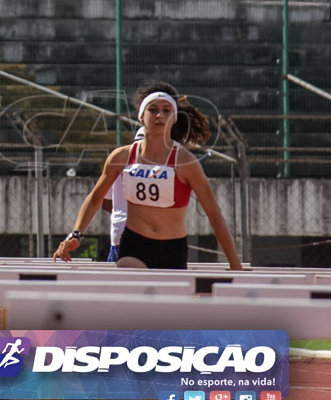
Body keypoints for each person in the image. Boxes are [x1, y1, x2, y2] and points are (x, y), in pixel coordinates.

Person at [53, 81, 242, 270]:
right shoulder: (121, 157)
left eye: (166, 110)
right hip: (134, 244)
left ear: (175, 117)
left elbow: (214, 214)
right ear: (141, 116)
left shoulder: (185, 162)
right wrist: (75, 234)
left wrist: (235, 265)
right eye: (152, 109)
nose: (160, 115)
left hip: (172, 248)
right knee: (131, 285)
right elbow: (95, 198)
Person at [103, 126, 144, 263]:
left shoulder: (120, 163)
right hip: (148, 235)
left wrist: (121, 212)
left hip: (119, 232)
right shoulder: (161, 168)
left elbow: (105, 202)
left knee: (116, 282)